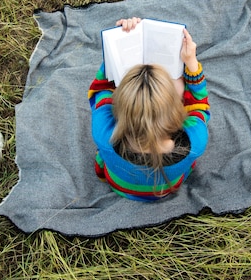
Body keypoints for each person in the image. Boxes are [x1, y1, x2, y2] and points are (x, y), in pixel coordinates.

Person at [88, 17, 210, 201]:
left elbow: (101, 88)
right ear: (177, 109)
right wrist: (191, 64)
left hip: (118, 183)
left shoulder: (102, 132)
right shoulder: (195, 141)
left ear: (120, 105)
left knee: (102, 157)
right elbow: (199, 106)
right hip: (169, 186)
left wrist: (116, 49)